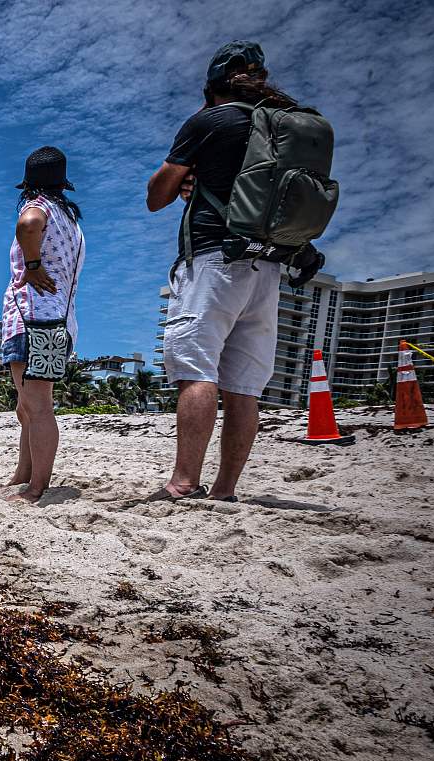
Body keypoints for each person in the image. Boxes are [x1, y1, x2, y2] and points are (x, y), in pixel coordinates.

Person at [144, 42, 298, 502]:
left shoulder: (212, 119)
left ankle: (184, 482)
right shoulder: (281, 126)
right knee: (244, 387)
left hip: (214, 260)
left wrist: (187, 173)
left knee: (196, 370)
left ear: (211, 87)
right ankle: (225, 489)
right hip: (268, 265)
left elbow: (157, 195)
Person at [0, 147, 85, 503]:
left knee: (37, 406)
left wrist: (32, 266)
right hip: (59, 319)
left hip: (33, 316)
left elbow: (28, 223)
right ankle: (24, 473)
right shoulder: (70, 220)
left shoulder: (38, 208)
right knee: (28, 405)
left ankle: (37, 487)